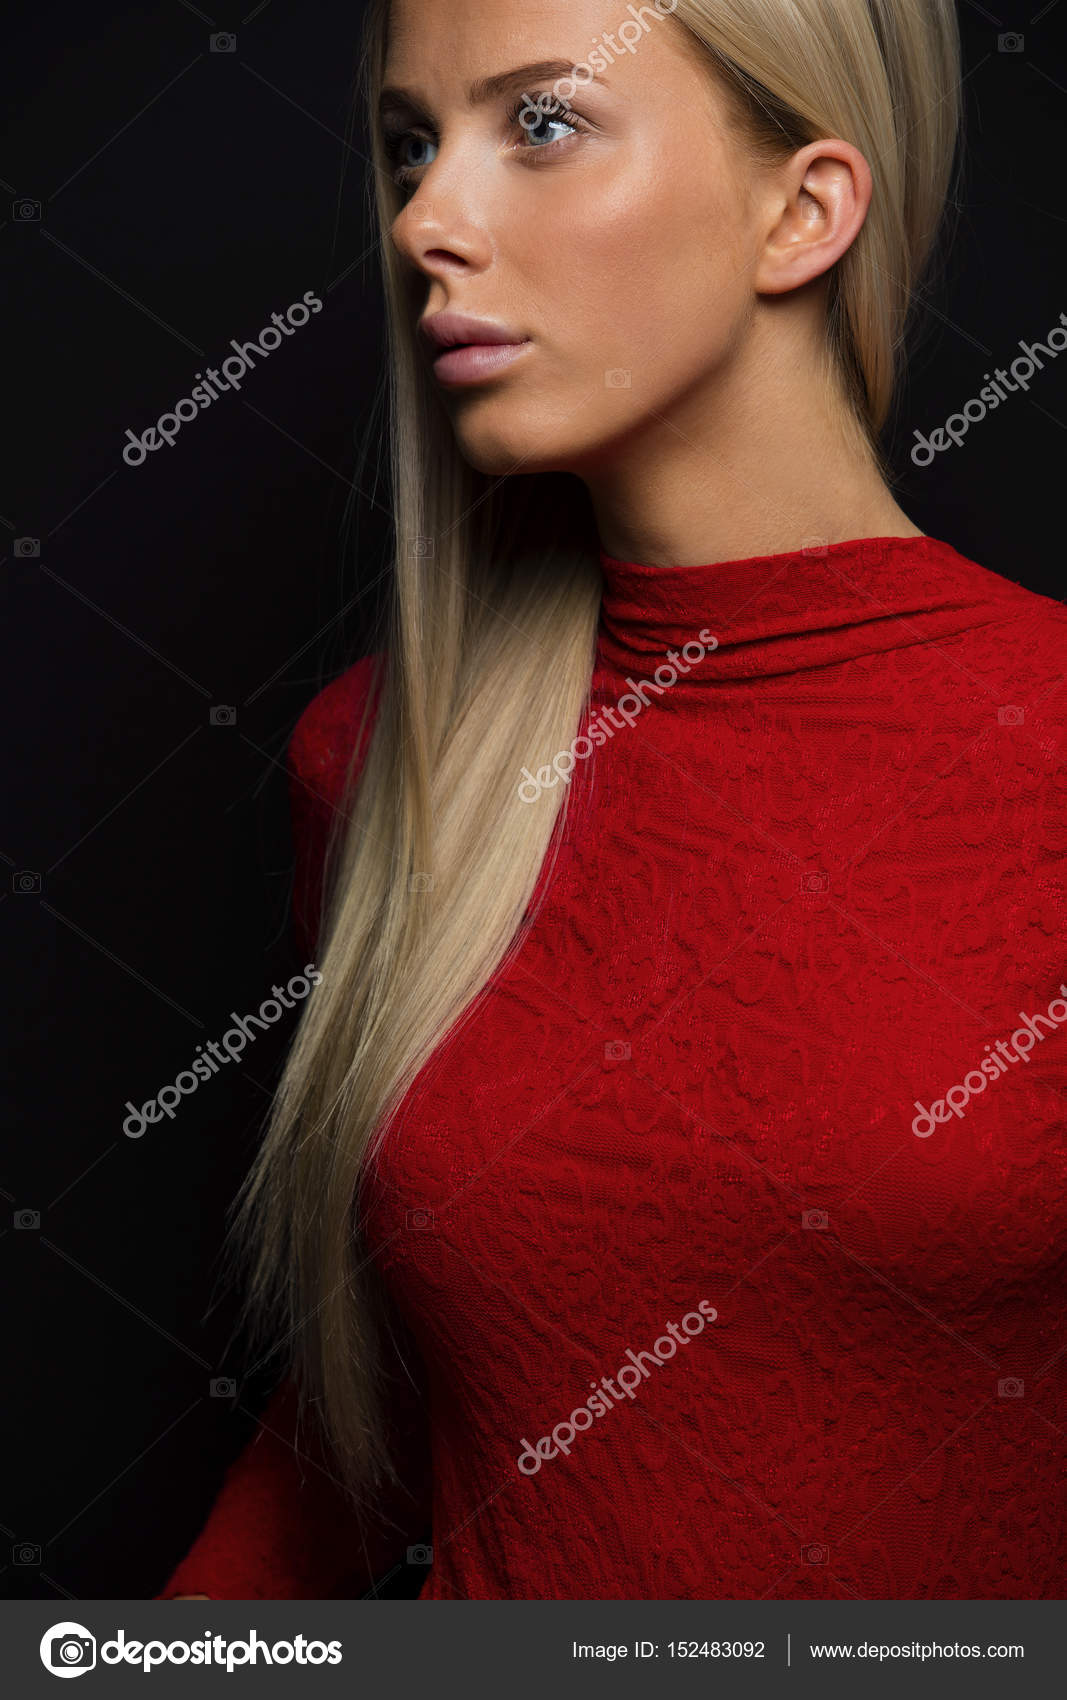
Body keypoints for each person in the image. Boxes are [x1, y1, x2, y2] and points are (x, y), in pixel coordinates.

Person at [161, 0, 1067, 1601]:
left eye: (545, 124)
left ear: (806, 209)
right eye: (408, 147)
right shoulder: (379, 758)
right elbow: (351, 1453)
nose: (428, 221)